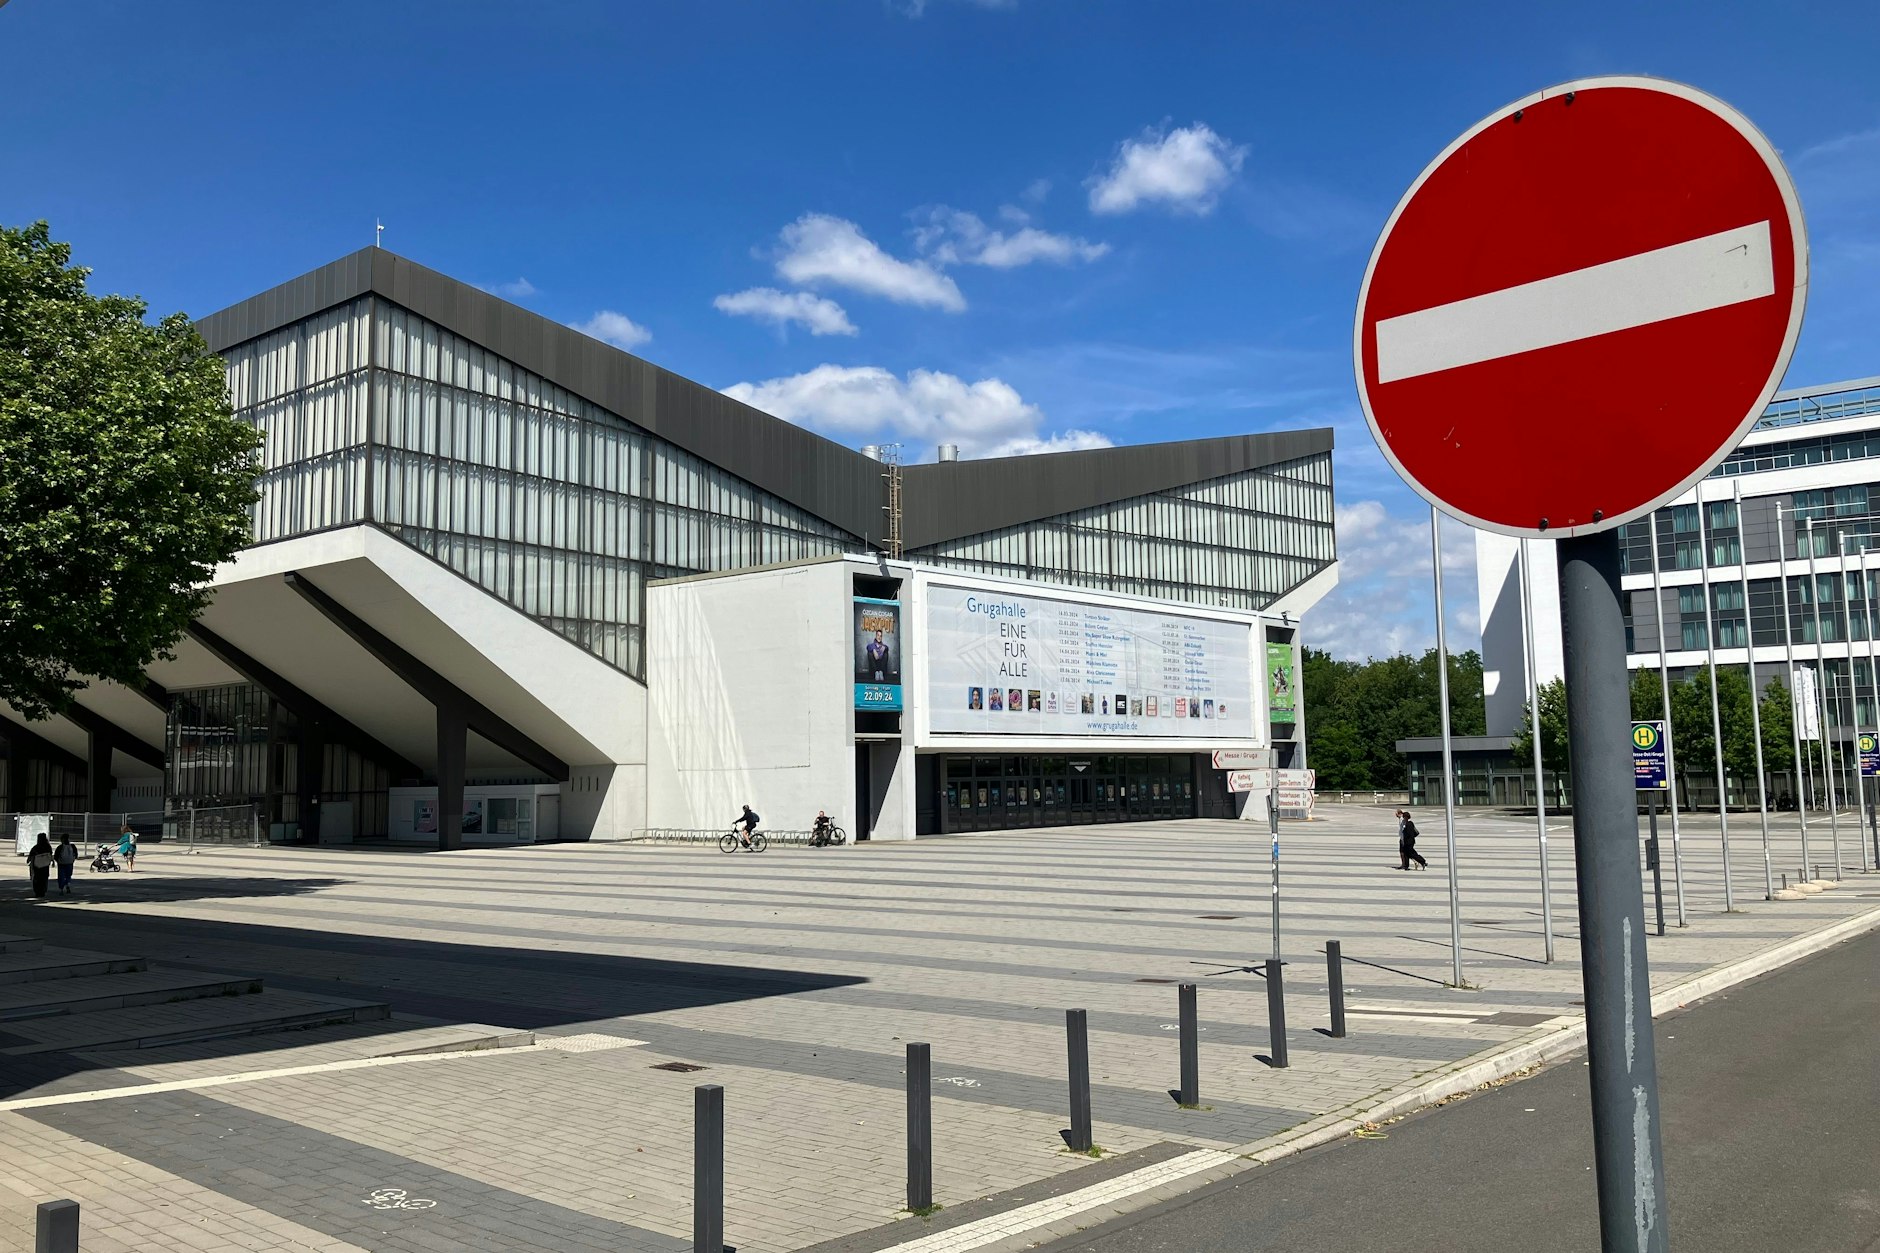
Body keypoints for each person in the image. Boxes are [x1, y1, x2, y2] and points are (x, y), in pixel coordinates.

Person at [26, 834, 53, 899]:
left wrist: (28, 860)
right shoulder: (48, 847)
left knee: (37, 879)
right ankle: (43, 891)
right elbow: (50, 854)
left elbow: (31, 855)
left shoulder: (36, 847)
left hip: (37, 866)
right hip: (45, 865)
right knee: (44, 879)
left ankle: (37, 892)